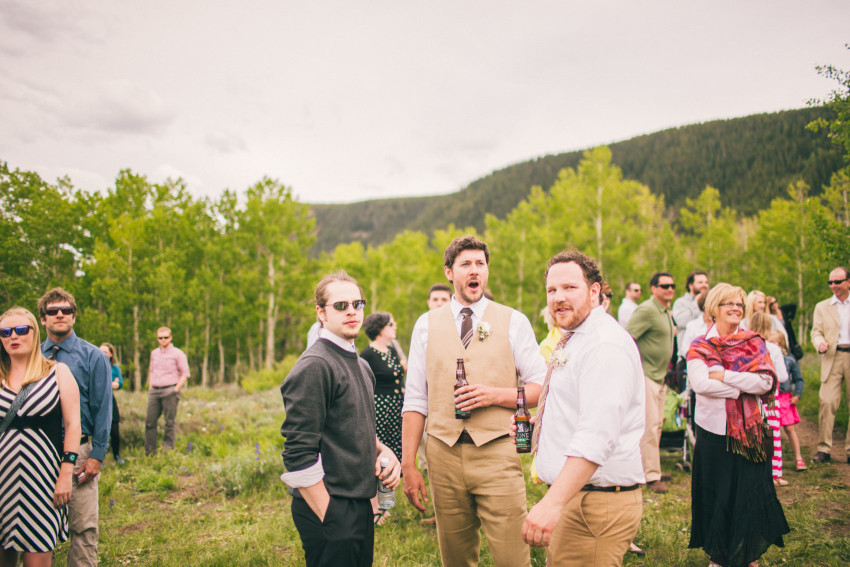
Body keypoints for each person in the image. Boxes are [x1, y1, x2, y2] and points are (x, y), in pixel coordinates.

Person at [401, 235, 547, 567]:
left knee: (513, 556)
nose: (474, 270)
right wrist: (408, 464)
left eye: (480, 263)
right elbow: (415, 400)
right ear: (449, 272)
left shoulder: (513, 321)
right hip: (442, 454)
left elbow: (541, 387)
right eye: (465, 264)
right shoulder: (425, 325)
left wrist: (497, 395)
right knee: (455, 558)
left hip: (497, 452)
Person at [517, 250, 645, 566]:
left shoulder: (603, 345)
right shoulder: (577, 338)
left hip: (593, 505)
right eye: (551, 290)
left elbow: (597, 435)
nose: (559, 297)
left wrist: (551, 503)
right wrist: (540, 427)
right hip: (580, 497)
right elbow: (582, 410)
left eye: (569, 288)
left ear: (594, 291)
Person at [281, 271, 400, 567]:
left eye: (358, 303)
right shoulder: (315, 365)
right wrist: (329, 515)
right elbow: (298, 452)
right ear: (320, 312)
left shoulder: (361, 365)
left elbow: (354, 430)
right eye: (340, 305)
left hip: (360, 502)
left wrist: (385, 451)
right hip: (329, 505)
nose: (352, 311)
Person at [686, 283, 789, 567]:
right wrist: (742, 387)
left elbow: (767, 382)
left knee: (748, 495)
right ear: (713, 309)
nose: (735, 309)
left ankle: (749, 555)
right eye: (728, 304)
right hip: (714, 433)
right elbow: (700, 385)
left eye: (739, 304)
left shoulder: (755, 342)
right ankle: (718, 556)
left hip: (750, 434)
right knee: (718, 496)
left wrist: (723, 376)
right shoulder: (700, 345)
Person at [0, 308, 81, 567]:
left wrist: (66, 474)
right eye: (5, 332)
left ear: (35, 333)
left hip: (42, 482)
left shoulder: (58, 373)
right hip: (2, 482)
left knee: (37, 557)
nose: (14, 336)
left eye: (22, 330)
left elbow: (73, 425)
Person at [38, 288, 111, 567]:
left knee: (82, 526)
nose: (60, 315)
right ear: (42, 319)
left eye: (66, 310)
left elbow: (103, 408)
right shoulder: (33, 356)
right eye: (53, 311)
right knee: (38, 527)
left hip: (80, 451)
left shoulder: (94, 356)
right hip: (39, 452)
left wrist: (97, 455)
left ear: (74, 316)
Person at [626, 272, 676, 493]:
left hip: (660, 377)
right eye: (664, 285)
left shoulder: (664, 311)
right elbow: (627, 338)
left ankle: (650, 468)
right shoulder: (647, 309)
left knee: (656, 425)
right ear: (653, 288)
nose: (669, 289)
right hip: (646, 375)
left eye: (672, 285)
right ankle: (651, 476)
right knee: (649, 428)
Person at [360, 312, 406, 525]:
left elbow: (398, 378)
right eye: (391, 323)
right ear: (379, 328)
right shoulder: (367, 354)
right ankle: (374, 507)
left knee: (394, 455)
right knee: (378, 457)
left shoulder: (392, 350)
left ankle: (386, 503)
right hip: (379, 410)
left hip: (397, 410)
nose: (395, 325)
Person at [811, 266, 850, 464]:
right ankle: (824, 449)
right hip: (832, 357)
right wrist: (819, 343)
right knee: (827, 402)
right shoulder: (822, 306)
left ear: (848, 282)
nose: (833, 286)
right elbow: (815, 332)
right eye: (831, 282)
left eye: (837, 282)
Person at [748, 312, 789, 486]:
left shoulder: (746, 347)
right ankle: (775, 474)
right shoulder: (772, 348)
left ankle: (753, 470)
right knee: (772, 433)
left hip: (750, 397)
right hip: (770, 398)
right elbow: (783, 376)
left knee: (752, 432)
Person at [145, 327, 190, 455]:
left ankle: (168, 450)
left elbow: (185, 373)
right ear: (157, 339)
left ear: (170, 338)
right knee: (150, 421)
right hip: (155, 390)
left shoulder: (178, 353)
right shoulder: (154, 353)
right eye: (160, 338)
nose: (163, 340)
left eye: (165, 337)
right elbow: (152, 371)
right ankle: (150, 452)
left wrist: (176, 389)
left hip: (170, 389)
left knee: (169, 422)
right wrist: (150, 387)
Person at [767, 331, 806, 472]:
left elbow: (798, 379)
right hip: (772, 397)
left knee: (789, 429)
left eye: (774, 343)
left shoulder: (790, 361)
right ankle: (772, 463)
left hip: (786, 399)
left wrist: (798, 395)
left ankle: (799, 458)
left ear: (781, 344)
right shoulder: (765, 359)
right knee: (772, 430)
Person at [99, 343, 125, 464]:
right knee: (99, 430)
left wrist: (114, 384)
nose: (102, 353)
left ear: (110, 354)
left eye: (105, 352)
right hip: (97, 400)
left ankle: (116, 455)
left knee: (114, 430)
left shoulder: (114, 368)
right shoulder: (94, 365)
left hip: (110, 399)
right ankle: (99, 458)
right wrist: (110, 383)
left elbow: (119, 383)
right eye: (100, 351)